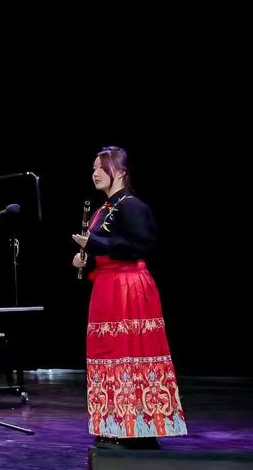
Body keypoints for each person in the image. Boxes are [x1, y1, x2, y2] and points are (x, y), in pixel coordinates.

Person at [71, 147, 187, 444]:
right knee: (107, 354)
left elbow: (141, 246)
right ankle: (112, 422)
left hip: (128, 287)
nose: (95, 173)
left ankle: (140, 427)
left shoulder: (132, 206)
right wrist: (85, 258)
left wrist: (95, 243)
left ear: (120, 171)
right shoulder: (103, 209)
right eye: (94, 168)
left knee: (130, 352)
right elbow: (102, 246)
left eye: (102, 167)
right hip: (107, 286)